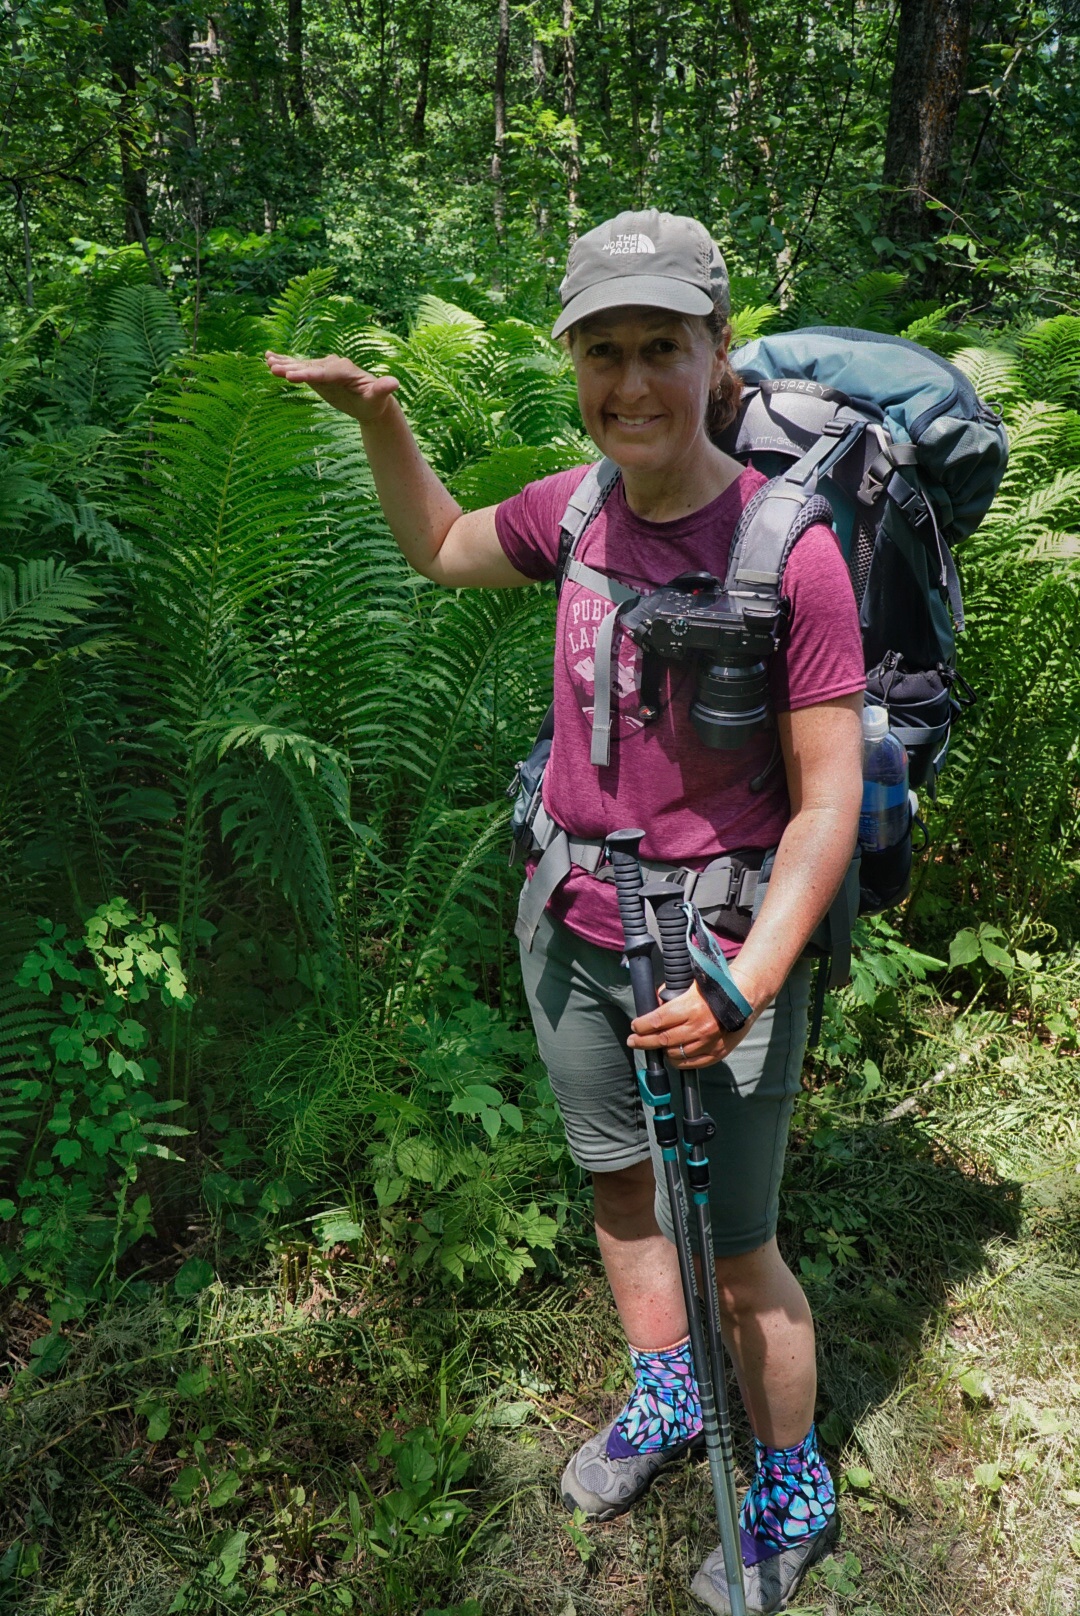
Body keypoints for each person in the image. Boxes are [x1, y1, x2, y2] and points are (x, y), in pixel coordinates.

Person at [265, 207, 865, 1615]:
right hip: (573, 929)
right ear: (575, 364)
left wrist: (748, 983)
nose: (631, 382)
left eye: (663, 346)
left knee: (740, 1250)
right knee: (615, 1184)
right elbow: (438, 545)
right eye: (604, 351)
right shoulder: (576, 509)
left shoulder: (793, 552)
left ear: (718, 355)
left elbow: (827, 804)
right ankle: (666, 1394)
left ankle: (792, 1489)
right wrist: (381, 417)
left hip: (716, 959)